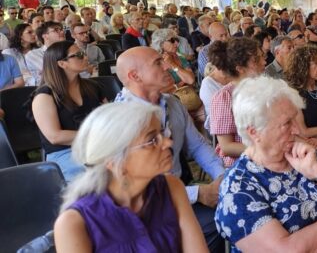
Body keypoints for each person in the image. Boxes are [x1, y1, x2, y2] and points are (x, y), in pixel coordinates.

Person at [214, 77, 317, 252]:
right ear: (254, 132)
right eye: (287, 123)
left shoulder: (301, 155)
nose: (297, 130)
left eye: (295, 119)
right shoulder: (238, 189)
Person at [53, 102, 208, 252]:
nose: (168, 143)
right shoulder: (75, 223)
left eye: (162, 133)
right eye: (152, 140)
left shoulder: (172, 187)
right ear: (114, 160)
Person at [115, 47, 225, 252]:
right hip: (143, 207)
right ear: (134, 76)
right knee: (212, 222)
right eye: (158, 63)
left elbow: (198, 146)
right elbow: (133, 187)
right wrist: (198, 193)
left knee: (229, 212)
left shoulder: (172, 103)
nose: (168, 66)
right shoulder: (120, 118)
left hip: (179, 191)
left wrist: (221, 177)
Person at [31, 41, 106, 181]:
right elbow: (55, 137)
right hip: (65, 152)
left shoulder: (93, 86)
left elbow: (108, 117)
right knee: (95, 180)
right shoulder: (44, 96)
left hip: (97, 146)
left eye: (83, 53)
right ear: (62, 64)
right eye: (79, 55)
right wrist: (96, 134)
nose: (85, 57)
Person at [209, 38, 265, 167]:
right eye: (257, 59)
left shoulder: (262, 88)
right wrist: (265, 149)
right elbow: (227, 147)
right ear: (240, 68)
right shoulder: (225, 97)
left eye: (262, 56)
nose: (264, 62)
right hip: (242, 163)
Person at [26, 21, 66, 85]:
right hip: (45, 88)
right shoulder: (34, 54)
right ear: (45, 36)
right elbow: (51, 74)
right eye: (56, 30)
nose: (62, 32)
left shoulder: (69, 50)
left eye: (61, 29)